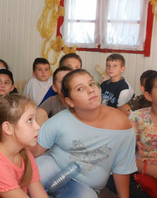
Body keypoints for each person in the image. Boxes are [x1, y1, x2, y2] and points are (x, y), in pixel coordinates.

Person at [31, 69, 137, 198]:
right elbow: (34, 151)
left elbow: (122, 168)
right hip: (54, 166)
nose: (91, 90)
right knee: (28, 177)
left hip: (84, 185)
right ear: (70, 101)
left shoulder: (121, 125)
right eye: (80, 89)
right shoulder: (60, 120)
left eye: (92, 84)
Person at [107, 71, 157, 198]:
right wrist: (150, 170)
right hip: (146, 176)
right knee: (112, 180)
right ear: (148, 96)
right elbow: (122, 156)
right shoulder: (138, 118)